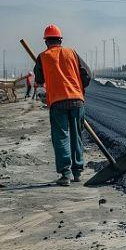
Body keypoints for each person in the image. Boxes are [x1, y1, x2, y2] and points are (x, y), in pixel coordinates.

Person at [34, 24, 91, 186]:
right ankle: (78, 171)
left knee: (61, 137)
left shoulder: (43, 57)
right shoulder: (71, 52)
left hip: (57, 102)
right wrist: (79, 88)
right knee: (77, 135)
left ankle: (66, 174)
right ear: (60, 40)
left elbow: (38, 80)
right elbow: (87, 74)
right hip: (77, 100)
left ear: (46, 42)